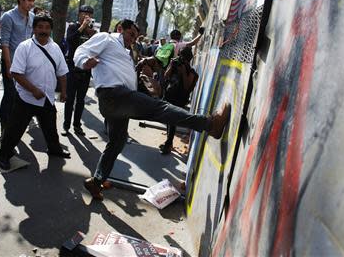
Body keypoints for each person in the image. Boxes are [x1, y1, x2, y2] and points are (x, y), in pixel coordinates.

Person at [73, 19, 231, 200]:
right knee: (161, 109)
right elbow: (81, 51)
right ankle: (210, 124)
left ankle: (97, 181)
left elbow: (120, 72)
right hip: (115, 96)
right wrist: (85, 61)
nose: (133, 39)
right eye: (130, 34)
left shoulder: (124, 51)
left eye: (135, 36)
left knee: (117, 142)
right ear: (119, 29)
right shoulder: (106, 39)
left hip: (116, 101)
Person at [0, 13, 70, 170]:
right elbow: (16, 73)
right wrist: (33, 89)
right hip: (26, 98)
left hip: (47, 98)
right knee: (15, 130)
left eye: (47, 27)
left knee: (51, 128)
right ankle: (4, 154)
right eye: (40, 27)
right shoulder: (25, 47)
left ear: (51, 29)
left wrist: (64, 91)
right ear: (34, 29)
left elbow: (62, 72)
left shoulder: (55, 48)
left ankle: (55, 149)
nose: (43, 30)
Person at [0, 0, 36, 131]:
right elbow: (5, 43)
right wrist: (8, 66)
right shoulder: (8, 17)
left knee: (22, 95)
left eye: (33, 1)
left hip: (26, 63)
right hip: (11, 61)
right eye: (29, 0)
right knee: (10, 95)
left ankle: (16, 126)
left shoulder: (32, 17)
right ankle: (5, 128)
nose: (31, 4)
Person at [62, 5, 96, 136]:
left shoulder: (92, 31)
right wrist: (82, 27)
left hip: (86, 70)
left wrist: (92, 34)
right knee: (69, 99)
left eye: (89, 14)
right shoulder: (73, 27)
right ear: (79, 14)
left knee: (81, 100)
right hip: (72, 67)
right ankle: (66, 125)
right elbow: (70, 40)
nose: (86, 16)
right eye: (84, 13)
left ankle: (77, 125)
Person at [159, 47, 199, 154]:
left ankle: (168, 144)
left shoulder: (192, 73)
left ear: (188, 60)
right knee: (169, 120)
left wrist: (183, 73)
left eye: (183, 57)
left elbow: (186, 87)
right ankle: (169, 142)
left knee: (172, 120)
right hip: (169, 96)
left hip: (179, 99)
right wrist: (171, 66)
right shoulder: (175, 65)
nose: (180, 59)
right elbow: (166, 75)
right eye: (180, 56)